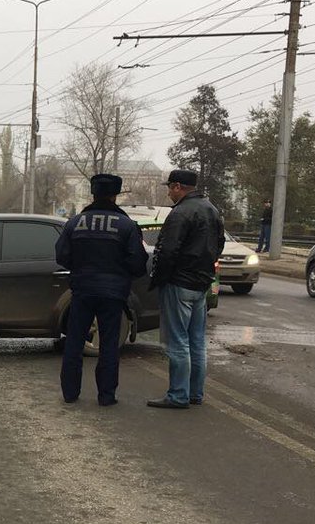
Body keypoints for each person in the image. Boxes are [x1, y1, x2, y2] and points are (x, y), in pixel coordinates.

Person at [54, 173, 149, 406]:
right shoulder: (126, 225)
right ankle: (106, 396)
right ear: (115, 195)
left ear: (93, 194)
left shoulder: (75, 222)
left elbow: (62, 256)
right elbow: (138, 263)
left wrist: (81, 268)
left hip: (82, 290)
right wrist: (121, 273)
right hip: (114, 293)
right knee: (108, 345)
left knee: (74, 342)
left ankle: (70, 393)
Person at [147, 169, 224, 410]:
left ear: (178, 186)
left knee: (177, 341)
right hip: (201, 283)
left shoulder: (180, 212)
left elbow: (167, 251)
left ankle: (178, 394)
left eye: (170, 187)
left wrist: (159, 278)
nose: (169, 192)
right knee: (197, 341)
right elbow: (219, 244)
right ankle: (194, 393)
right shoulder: (212, 210)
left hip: (178, 283)